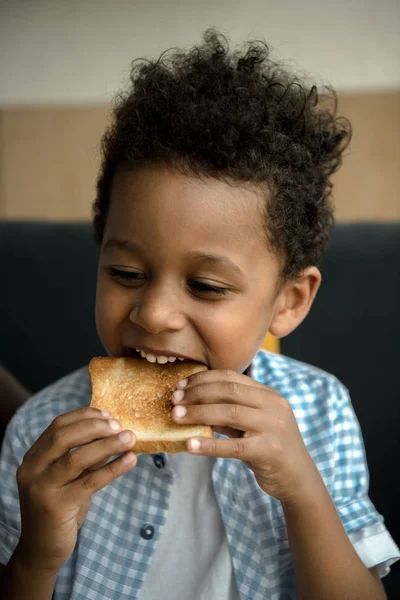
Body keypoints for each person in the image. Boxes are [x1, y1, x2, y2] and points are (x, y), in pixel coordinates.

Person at [0, 29, 398, 600]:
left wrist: (302, 487)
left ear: (288, 302)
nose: (155, 313)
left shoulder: (319, 412)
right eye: (127, 274)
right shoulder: (39, 433)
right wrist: (37, 554)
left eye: (207, 286)